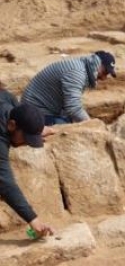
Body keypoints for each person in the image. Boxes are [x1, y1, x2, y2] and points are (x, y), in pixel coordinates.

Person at [0, 89, 55, 238]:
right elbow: (5, 183)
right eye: (26, 138)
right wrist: (33, 220)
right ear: (11, 125)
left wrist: (35, 130)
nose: (27, 143)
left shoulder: (9, 100)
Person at [21, 51, 117, 125]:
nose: (104, 78)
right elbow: (74, 108)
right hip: (34, 111)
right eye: (105, 72)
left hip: (39, 108)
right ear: (98, 64)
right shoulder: (77, 73)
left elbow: (71, 107)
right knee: (69, 129)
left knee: (74, 121)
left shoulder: (82, 68)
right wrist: (93, 124)